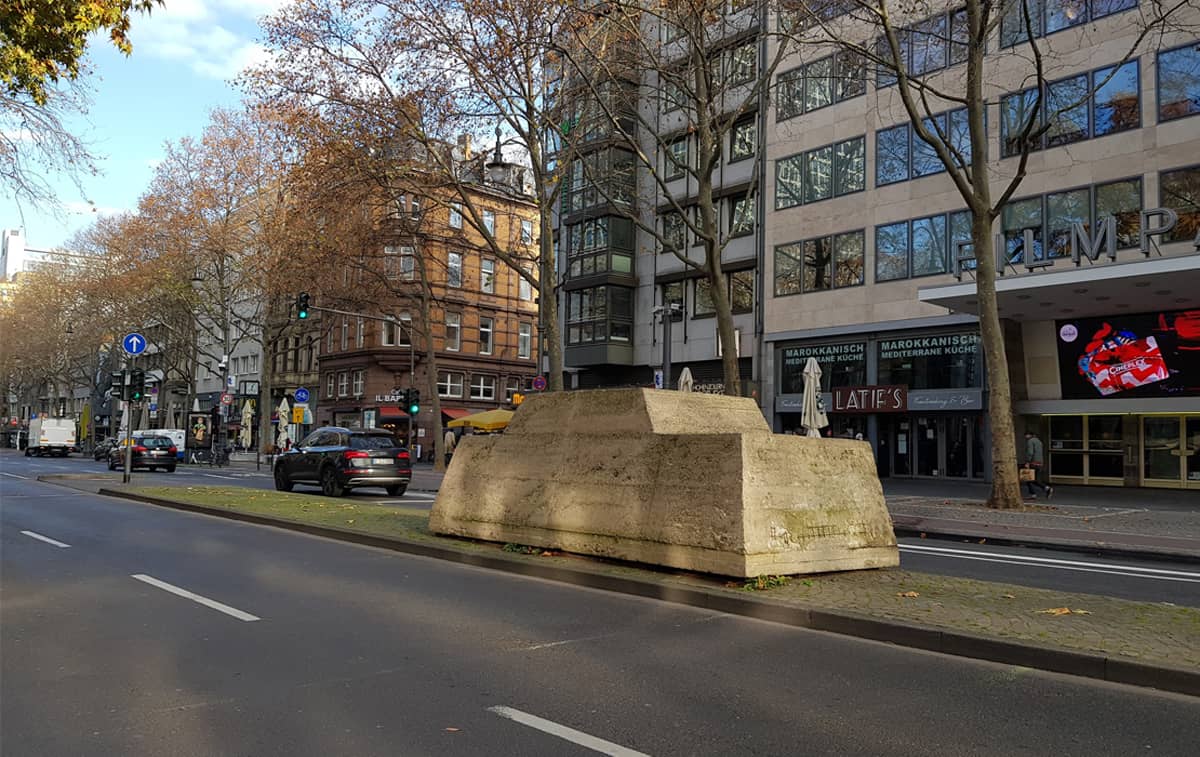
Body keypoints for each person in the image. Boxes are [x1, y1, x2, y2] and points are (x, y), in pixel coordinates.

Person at [1023, 430, 1053, 500]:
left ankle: (1033, 494)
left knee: (1028, 479)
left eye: (1026, 435)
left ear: (1029, 435)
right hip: (1040, 463)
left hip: (1033, 462)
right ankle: (1047, 488)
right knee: (1035, 480)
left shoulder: (1030, 441)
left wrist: (1027, 462)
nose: (1025, 437)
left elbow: (1030, 452)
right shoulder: (1039, 441)